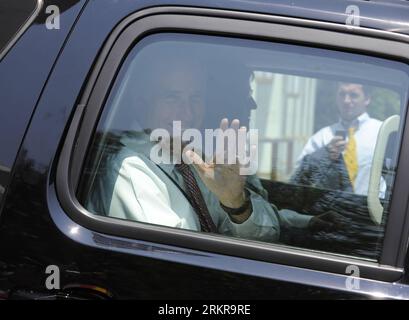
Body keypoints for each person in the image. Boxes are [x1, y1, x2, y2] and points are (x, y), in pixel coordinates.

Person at [85, 53, 342, 243]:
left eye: (195, 98)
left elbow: (262, 234)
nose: (186, 112)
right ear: (142, 103)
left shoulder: (195, 159)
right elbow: (177, 260)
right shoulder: (130, 168)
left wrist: (235, 204)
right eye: (171, 97)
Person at [291, 82, 385, 196]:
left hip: (370, 210)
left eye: (353, 95)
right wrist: (324, 156)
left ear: (367, 99)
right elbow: (300, 174)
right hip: (330, 209)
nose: (346, 100)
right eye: (342, 94)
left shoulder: (382, 132)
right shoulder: (322, 136)